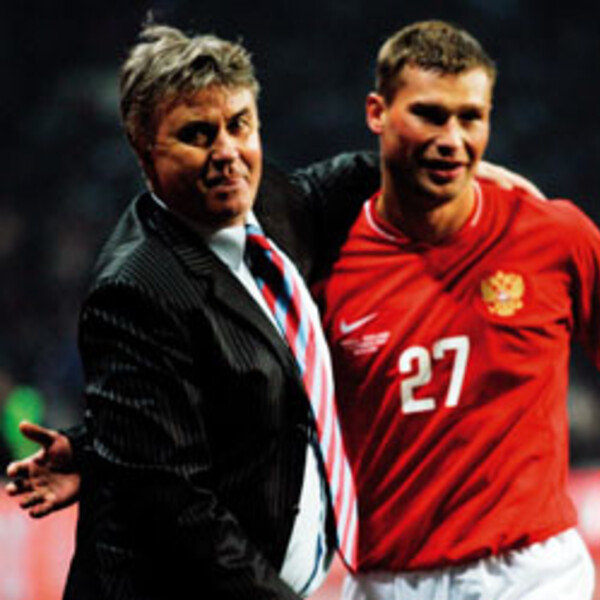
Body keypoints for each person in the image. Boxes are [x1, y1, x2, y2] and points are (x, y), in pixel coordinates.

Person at [5, 19, 547, 600]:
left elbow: (337, 183)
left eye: (239, 125)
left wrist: (442, 171)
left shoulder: (269, 205)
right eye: (197, 135)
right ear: (144, 148)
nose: (226, 153)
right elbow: (181, 514)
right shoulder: (137, 291)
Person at [314, 20, 597, 600]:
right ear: (376, 112)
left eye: (471, 118)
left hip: (532, 574)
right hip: (387, 580)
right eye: (430, 115)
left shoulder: (553, 235)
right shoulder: (326, 266)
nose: (453, 138)